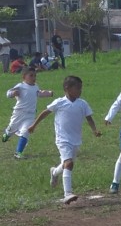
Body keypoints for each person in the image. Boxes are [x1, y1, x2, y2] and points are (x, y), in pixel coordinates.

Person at [27, 75, 102, 205]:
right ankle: (67, 193)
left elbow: (89, 118)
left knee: (67, 163)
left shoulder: (82, 103)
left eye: (81, 88)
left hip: (75, 139)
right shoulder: (59, 102)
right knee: (69, 164)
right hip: (62, 139)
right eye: (77, 88)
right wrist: (34, 125)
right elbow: (46, 112)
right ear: (67, 88)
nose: (80, 91)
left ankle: (54, 172)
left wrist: (94, 130)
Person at [3, 67, 54, 159]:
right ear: (24, 76)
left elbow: (39, 93)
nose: (34, 77)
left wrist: (48, 93)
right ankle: (7, 134)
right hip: (19, 113)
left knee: (26, 132)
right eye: (31, 75)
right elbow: (8, 93)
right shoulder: (21, 86)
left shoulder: (35, 86)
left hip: (30, 115)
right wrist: (13, 93)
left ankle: (18, 153)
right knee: (12, 129)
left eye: (35, 76)